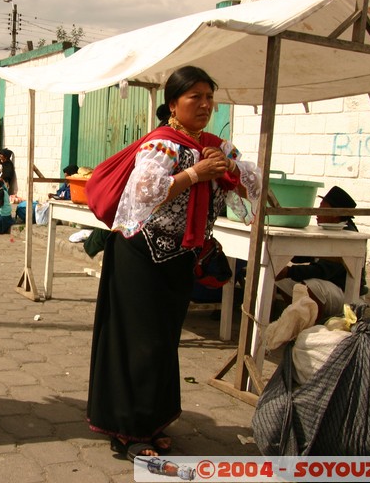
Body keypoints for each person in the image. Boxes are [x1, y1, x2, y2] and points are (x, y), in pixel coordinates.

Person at [86, 66, 261, 461]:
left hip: (180, 259)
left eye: (208, 97)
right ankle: (129, 431)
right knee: (138, 343)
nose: (204, 105)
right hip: (139, 255)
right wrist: (194, 173)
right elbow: (145, 194)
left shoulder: (217, 145)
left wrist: (229, 167)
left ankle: (155, 421)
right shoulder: (162, 145)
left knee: (163, 342)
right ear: (172, 105)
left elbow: (255, 183)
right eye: (194, 97)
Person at [275, 185, 368, 296]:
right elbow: (305, 254)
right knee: (276, 278)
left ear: (335, 214)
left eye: (322, 208)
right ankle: (293, 310)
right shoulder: (328, 229)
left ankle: (312, 313)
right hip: (328, 283)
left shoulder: (348, 236)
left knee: (309, 286)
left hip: (343, 289)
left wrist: (288, 271)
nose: (317, 213)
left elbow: (323, 271)